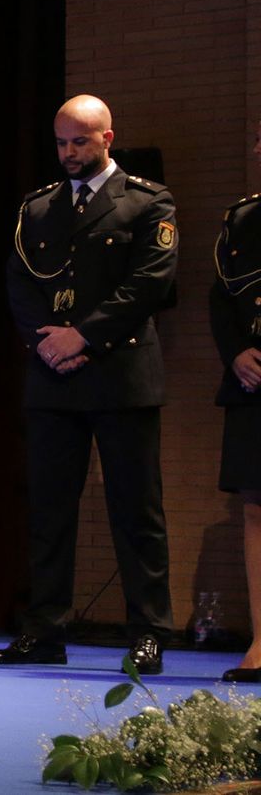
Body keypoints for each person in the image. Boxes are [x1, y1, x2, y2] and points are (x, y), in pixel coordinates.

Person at [0, 94, 177, 674]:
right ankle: (44, 630)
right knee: (48, 510)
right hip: (53, 379)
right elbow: (20, 283)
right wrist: (47, 342)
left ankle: (147, 631)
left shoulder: (147, 200)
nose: (69, 152)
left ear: (107, 138)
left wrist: (83, 337)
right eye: (62, 142)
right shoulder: (39, 207)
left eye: (80, 141)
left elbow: (150, 283)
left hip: (121, 373)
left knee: (136, 509)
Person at [211, 122, 261, 682]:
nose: (257, 148)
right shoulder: (242, 217)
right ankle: (260, 644)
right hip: (253, 377)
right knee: (255, 507)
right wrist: (235, 353)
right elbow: (221, 300)